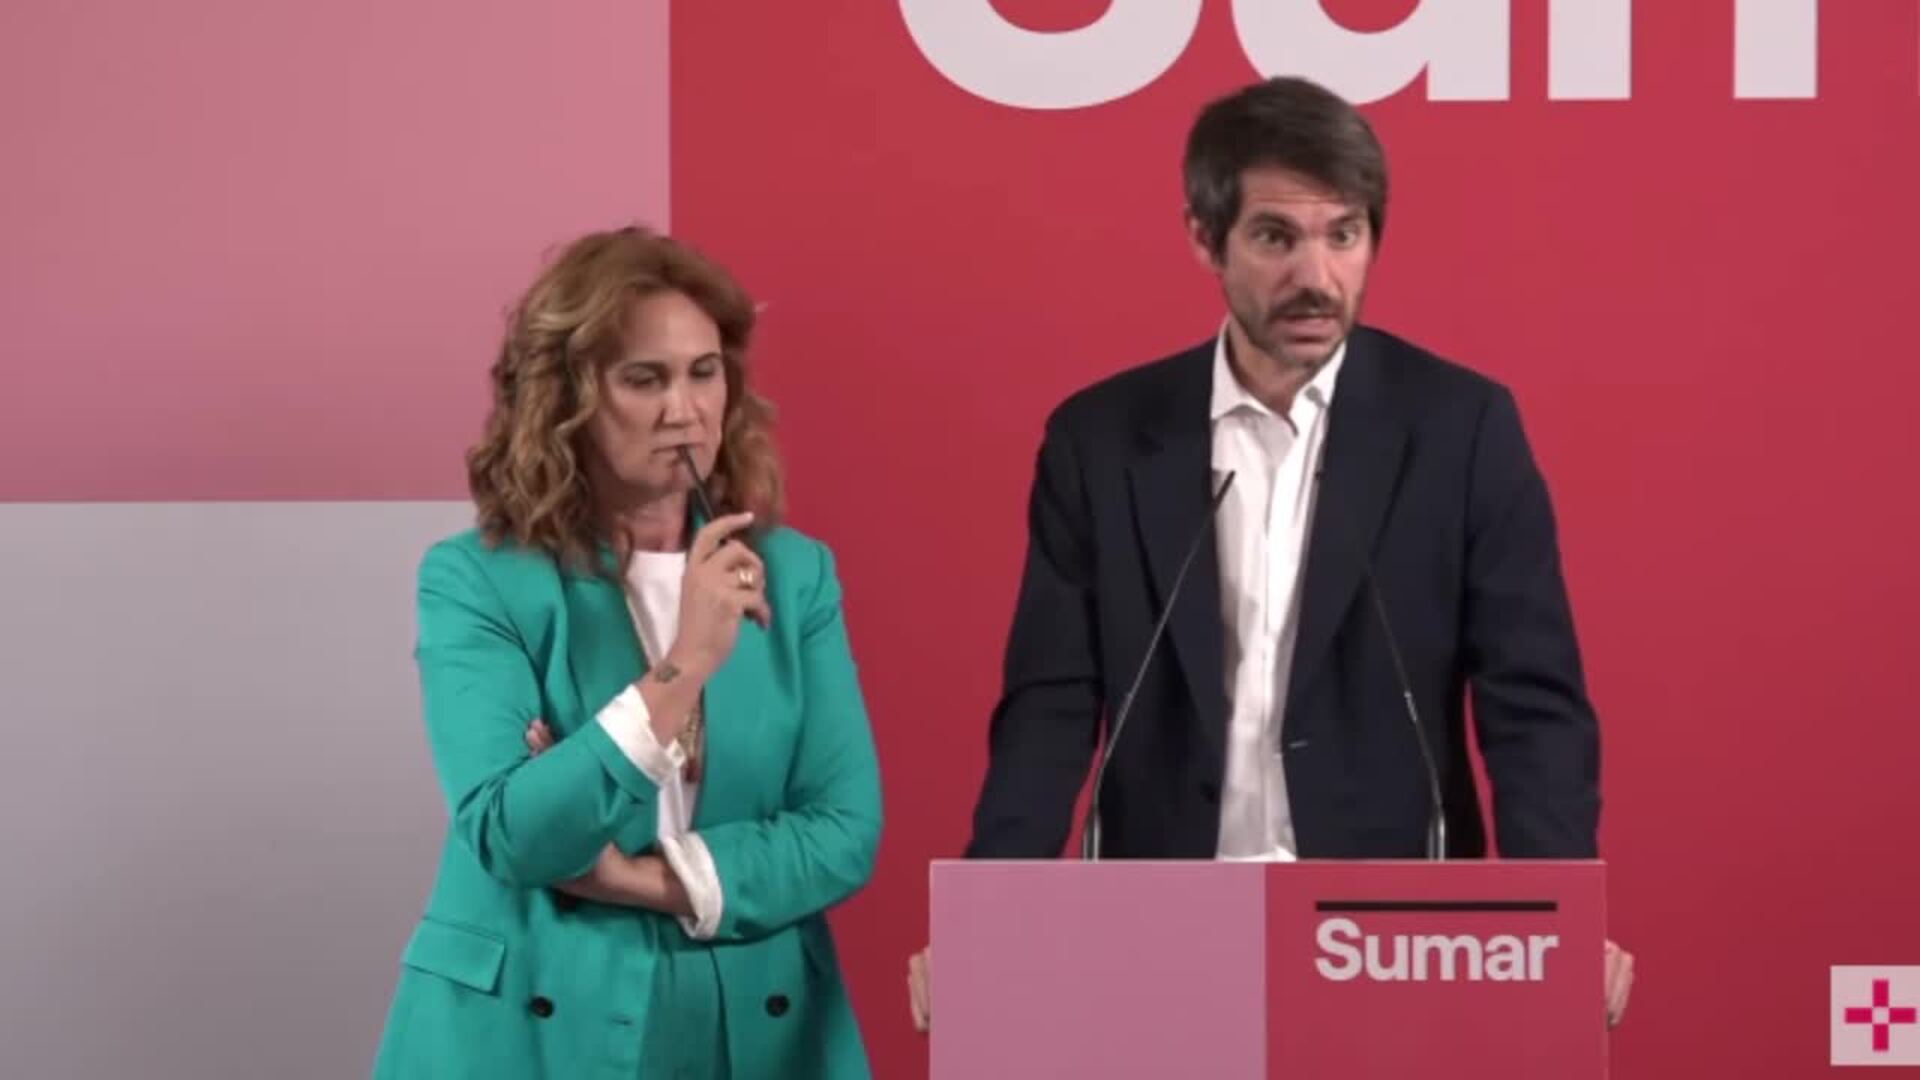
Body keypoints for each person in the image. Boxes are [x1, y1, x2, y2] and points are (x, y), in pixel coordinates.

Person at [908, 76, 1632, 1030]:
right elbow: (1050, 707)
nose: (1316, 277)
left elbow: (1533, 708)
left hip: (1394, 939)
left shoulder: (1460, 430)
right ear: (1205, 239)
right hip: (1159, 927)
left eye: (1344, 235)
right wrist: (988, 913)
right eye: (1276, 237)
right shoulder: (1101, 441)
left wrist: (1555, 915)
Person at [373, 226, 882, 1079]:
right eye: (645, 379)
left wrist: (641, 879)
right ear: (566, 397)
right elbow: (514, 833)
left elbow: (843, 832)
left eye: (704, 372)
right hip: (528, 1027)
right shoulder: (478, 579)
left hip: (754, 1025)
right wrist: (686, 663)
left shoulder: (796, 575)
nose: (685, 410)